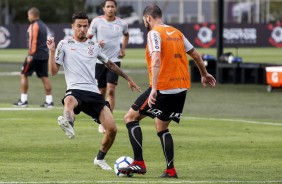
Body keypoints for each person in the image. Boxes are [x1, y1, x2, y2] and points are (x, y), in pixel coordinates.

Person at [118, 4, 216, 178]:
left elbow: (156, 59)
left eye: (144, 20)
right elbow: (195, 54)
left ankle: (138, 162)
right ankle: (170, 170)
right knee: (161, 126)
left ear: (148, 18)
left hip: (163, 88)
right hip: (181, 89)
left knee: (130, 118)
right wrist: (204, 73)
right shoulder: (177, 33)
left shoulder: (153, 33)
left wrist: (154, 88)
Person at [46, 11, 140, 171]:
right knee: (69, 101)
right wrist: (52, 51)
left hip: (94, 93)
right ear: (72, 27)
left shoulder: (94, 46)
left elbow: (110, 64)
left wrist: (127, 78)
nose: (82, 29)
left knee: (112, 130)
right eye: (79, 26)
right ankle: (68, 123)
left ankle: (100, 158)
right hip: (75, 89)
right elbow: (53, 71)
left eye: (85, 26)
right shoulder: (64, 44)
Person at [87, 0, 129, 133]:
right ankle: (101, 119)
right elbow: (87, 38)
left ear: (115, 9)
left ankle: (108, 120)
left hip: (114, 61)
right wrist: (95, 44)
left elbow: (126, 35)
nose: (110, 9)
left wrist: (123, 48)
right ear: (104, 9)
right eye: (108, 7)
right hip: (99, 61)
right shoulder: (96, 21)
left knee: (111, 91)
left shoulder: (122, 23)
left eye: (112, 6)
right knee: (101, 92)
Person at [14, 7, 53, 108]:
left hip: (34, 55)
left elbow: (33, 41)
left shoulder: (33, 25)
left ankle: (23, 100)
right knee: (44, 77)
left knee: (23, 74)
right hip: (44, 55)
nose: (28, 17)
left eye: (28, 15)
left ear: (32, 15)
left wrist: (30, 55)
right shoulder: (44, 26)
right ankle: (49, 101)